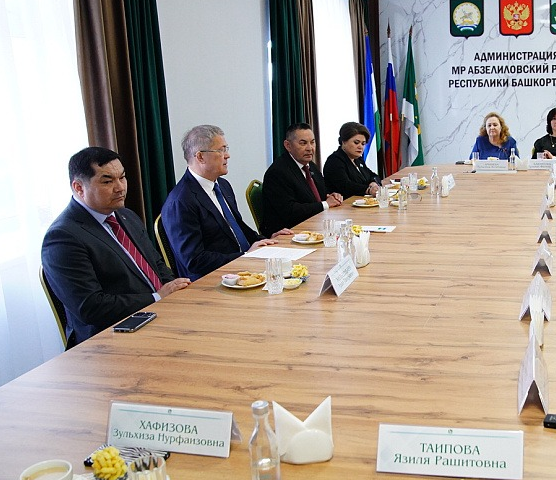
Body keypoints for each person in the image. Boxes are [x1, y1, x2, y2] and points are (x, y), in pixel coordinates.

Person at [42, 147, 190, 347]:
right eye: (107, 181)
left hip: (160, 315)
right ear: (78, 187)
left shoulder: (126, 216)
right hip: (112, 338)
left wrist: (175, 292)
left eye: (122, 177)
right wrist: (156, 297)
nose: (120, 187)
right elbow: (91, 307)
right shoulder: (62, 237)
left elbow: (157, 265)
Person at [162, 125, 284, 281]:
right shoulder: (181, 202)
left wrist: (266, 240)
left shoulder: (222, 185)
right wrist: (245, 256)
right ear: (200, 157)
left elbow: (239, 228)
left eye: (226, 149)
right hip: (213, 281)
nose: (227, 155)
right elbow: (194, 261)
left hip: (243, 268)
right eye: (221, 150)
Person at [263, 122, 344, 234]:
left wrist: (331, 195)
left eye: (312, 142)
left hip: (313, 225)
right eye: (303, 143)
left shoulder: (311, 166)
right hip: (288, 232)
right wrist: (325, 204)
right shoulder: (278, 172)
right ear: (288, 145)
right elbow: (290, 211)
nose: (310, 148)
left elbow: (319, 193)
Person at [323, 121, 381, 199]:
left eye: (363, 144)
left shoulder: (358, 159)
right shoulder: (334, 161)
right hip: (343, 204)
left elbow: (373, 175)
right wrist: (368, 190)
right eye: (356, 143)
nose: (360, 147)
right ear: (344, 142)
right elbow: (346, 186)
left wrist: (373, 183)